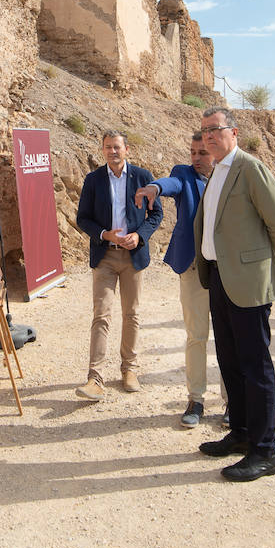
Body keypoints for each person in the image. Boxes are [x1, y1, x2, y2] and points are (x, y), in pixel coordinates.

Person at [193, 107, 275, 481]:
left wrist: (267, 263)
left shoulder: (249, 168)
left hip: (247, 281)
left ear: (233, 132)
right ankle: (242, 433)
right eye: (204, 132)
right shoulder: (216, 170)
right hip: (219, 277)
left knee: (255, 366)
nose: (208, 137)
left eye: (215, 130)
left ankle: (266, 451)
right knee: (231, 361)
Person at [134, 133, 217, 427]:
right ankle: (196, 398)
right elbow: (171, 183)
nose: (196, 158)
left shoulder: (229, 177)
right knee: (197, 335)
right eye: (193, 152)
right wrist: (155, 187)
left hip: (226, 269)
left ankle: (234, 400)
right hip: (193, 266)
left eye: (202, 153)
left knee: (229, 339)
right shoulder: (184, 173)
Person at [74, 130, 162, 401]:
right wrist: (104, 234)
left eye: (117, 147)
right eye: (108, 147)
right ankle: (95, 378)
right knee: (101, 313)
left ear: (126, 150)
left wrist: (140, 235)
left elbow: (156, 213)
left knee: (131, 314)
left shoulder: (143, 177)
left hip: (133, 257)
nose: (113, 151)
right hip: (105, 256)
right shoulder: (93, 180)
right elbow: (83, 218)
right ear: (102, 151)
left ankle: (129, 370)